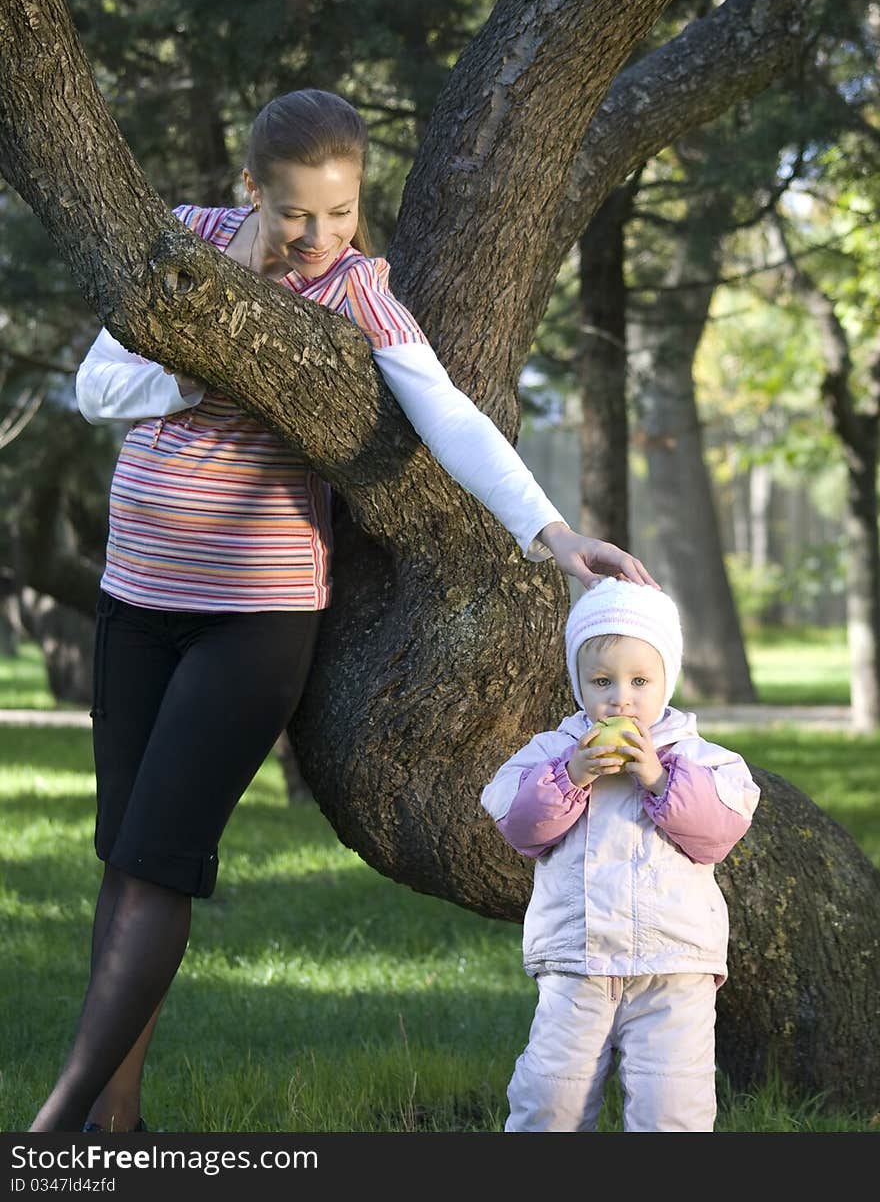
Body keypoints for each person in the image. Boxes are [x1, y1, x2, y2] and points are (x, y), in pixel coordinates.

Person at [29, 88, 657, 1133]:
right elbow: (98, 387)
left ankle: (49, 1127)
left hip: (253, 617)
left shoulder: (358, 291)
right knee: (121, 854)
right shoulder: (182, 249)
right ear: (248, 192)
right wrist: (197, 374)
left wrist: (551, 532)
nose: (319, 238)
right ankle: (115, 1125)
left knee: (156, 861)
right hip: (133, 598)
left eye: (341, 211)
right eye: (295, 215)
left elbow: (448, 413)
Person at [480, 577, 760, 1132]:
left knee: (672, 1106)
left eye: (640, 680)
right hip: (576, 962)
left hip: (673, 965)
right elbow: (518, 822)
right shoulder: (554, 751)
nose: (621, 698)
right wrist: (571, 775)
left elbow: (718, 830)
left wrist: (659, 779)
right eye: (603, 681)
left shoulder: (701, 759)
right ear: (578, 683)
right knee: (549, 1097)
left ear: (667, 680)